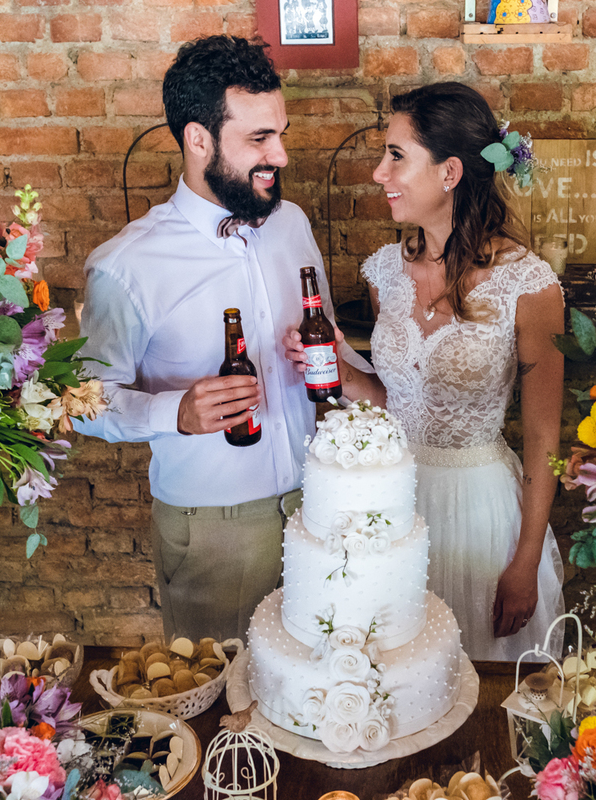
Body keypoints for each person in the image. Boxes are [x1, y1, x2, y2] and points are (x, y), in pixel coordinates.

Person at [75, 35, 365, 644]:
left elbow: (329, 348)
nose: (280, 155)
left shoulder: (292, 224)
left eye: (280, 133)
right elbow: (83, 403)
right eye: (259, 138)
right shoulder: (126, 266)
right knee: (224, 696)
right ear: (198, 139)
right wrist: (175, 413)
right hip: (213, 532)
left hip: (319, 508)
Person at [284, 82, 566, 660]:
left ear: (450, 172)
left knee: (475, 671)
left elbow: (543, 437)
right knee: (396, 670)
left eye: (396, 156)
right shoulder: (385, 272)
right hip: (391, 505)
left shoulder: (529, 285)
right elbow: (399, 402)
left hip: (479, 510)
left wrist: (526, 559)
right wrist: (340, 367)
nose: (378, 173)